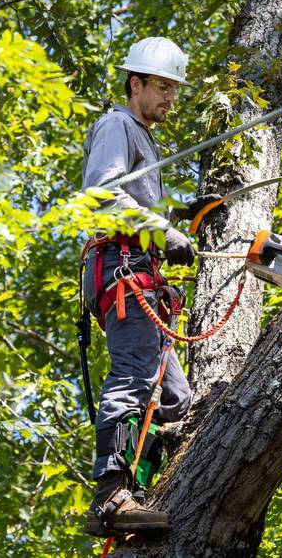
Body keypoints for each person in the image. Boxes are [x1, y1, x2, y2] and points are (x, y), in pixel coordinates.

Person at [78, 36, 219, 537]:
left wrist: (177, 214)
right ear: (135, 83)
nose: (169, 97)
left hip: (140, 276)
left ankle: (141, 487)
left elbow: (134, 201)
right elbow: (99, 196)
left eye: (173, 89)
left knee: (176, 400)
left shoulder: (144, 138)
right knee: (135, 374)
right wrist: (166, 230)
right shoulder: (119, 125)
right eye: (161, 86)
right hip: (122, 273)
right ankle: (112, 496)